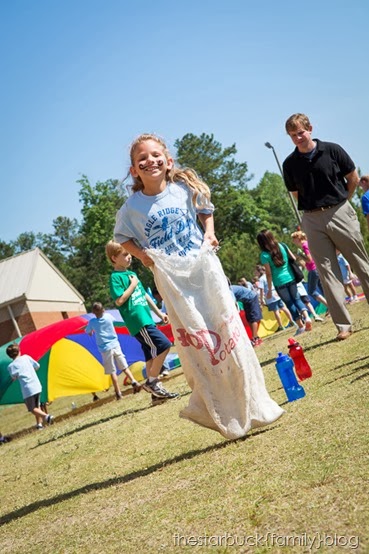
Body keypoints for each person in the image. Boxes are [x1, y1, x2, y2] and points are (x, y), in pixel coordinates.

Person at [112, 133, 284, 439]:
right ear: (134, 170)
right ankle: (220, 411)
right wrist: (144, 257)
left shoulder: (182, 189)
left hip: (204, 272)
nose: (150, 161)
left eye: (155, 155)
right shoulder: (131, 209)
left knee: (227, 331)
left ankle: (254, 404)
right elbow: (122, 238)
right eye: (142, 160)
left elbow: (206, 209)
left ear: (168, 161)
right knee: (201, 345)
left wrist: (210, 233)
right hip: (174, 284)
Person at [283, 113, 369, 340]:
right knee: (326, 273)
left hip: (340, 210)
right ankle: (343, 325)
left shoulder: (332, 150)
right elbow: (295, 193)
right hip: (311, 219)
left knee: (360, 264)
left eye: (301, 132)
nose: (298, 138)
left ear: (310, 128)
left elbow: (353, 177)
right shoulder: (290, 164)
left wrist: (343, 202)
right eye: (293, 135)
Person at [105, 240, 179, 405]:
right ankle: (152, 382)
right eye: (124, 254)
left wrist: (159, 313)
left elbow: (145, 295)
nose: (129, 257)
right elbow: (120, 300)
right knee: (165, 345)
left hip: (146, 319)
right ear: (114, 258)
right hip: (138, 322)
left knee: (150, 356)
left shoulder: (132, 274)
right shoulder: (116, 278)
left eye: (129, 253)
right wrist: (132, 284)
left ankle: (156, 396)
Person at [256, 229, 313, 336]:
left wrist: (268, 290)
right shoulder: (282, 245)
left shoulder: (264, 255)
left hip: (279, 282)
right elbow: (292, 257)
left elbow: (268, 274)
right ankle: (307, 317)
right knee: (297, 299)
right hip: (290, 278)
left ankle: (301, 326)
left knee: (290, 303)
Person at [85, 302, 142, 399]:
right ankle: (133, 381)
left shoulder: (92, 322)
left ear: (93, 312)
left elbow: (88, 331)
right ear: (103, 310)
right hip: (115, 345)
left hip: (105, 349)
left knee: (112, 371)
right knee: (124, 366)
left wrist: (91, 331)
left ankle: (118, 393)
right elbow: (117, 323)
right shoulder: (108, 316)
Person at [6, 343, 54, 429]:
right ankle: (39, 425)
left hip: (27, 389)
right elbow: (37, 366)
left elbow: (13, 377)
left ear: (9, 356)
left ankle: (47, 417)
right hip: (36, 385)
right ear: (19, 351)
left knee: (32, 409)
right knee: (37, 406)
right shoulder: (26, 357)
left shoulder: (11, 366)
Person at [291, 230, 328, 313]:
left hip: (313, 269)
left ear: (298, 238)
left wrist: (300, 256)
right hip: (316, 268)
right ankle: (331, 306)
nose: (293, 241)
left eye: (294, 239)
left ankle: (329, 306)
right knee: (322, 289)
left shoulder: (304, 245)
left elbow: (309, 260)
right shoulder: (307, 243)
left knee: (312, 291)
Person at [255, 264, 295, 331]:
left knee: (275, 311)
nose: (255, 273)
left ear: (259, 272)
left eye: (255, 272)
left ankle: (281, 325)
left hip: (270, 296)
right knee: (283, 308)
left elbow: (261, 290)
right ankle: (292, 321)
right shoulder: (269, 275)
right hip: (276, 293)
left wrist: (262, 299)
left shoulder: (261, 279)